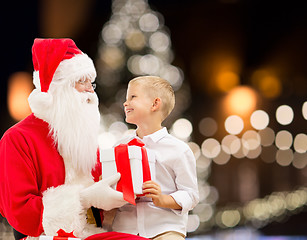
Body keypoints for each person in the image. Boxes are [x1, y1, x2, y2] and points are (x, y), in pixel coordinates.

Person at [0, 38, 149, 240]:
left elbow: (101, 203)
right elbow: (21, 215)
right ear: (58, 87)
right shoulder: (17, 139)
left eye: (91, 82)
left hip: (93, 233)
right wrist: (84, 198)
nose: (90, 90)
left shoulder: (84, 139)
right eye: (81, 81)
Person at [110, 76, 199, 239]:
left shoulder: (179, 150)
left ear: (155, 104)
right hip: (125, 229)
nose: (125, 103)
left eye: (132, 97)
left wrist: (163, 199)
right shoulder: (119, 147)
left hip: (164, 229)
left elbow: (190, 194)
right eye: (126, 98)